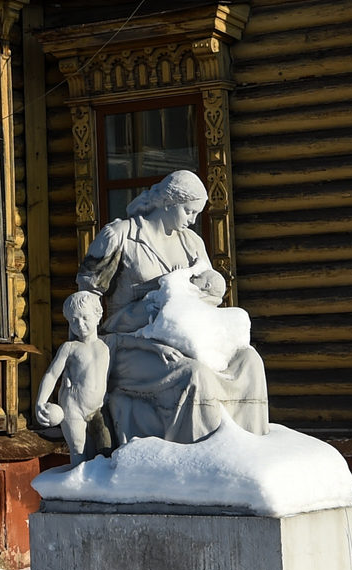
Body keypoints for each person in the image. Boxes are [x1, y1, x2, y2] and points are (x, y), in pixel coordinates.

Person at [76, 169, 269, 444]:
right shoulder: (121, 236)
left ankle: (246, 448)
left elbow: (209, 289)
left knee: (249, 362)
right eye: (189, 212)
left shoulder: (191, 243)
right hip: (132, 342)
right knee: (194, 374)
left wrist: (205, 293)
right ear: (169, 202)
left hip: (185, 336)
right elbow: (87, 296)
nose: (192, 222)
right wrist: (87, 357)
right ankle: (201, 454)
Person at [32, 290, 110, 463]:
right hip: (72, 407)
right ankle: (77, 486)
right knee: (78, 450)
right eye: (74, 320)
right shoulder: (70, 347)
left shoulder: (104, 347)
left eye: (84, 318)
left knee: (104, 451)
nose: (80, 324)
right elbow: (52, 375)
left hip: (98, 409)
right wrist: (40, 402)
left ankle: (92, 487)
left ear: (97, 316)